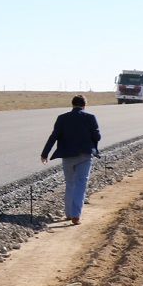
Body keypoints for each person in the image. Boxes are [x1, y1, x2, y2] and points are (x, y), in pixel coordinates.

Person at [41, 95, 102, 225]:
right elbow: (97, 136)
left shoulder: (62, 118)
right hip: (85, 156)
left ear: (72, 104)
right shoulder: (90, 118)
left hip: (67, 156)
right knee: (81, 184)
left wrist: (45, 153)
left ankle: (69, 214)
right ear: (84, 105)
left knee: (70, 184)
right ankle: (76, 216)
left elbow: (54, 137)